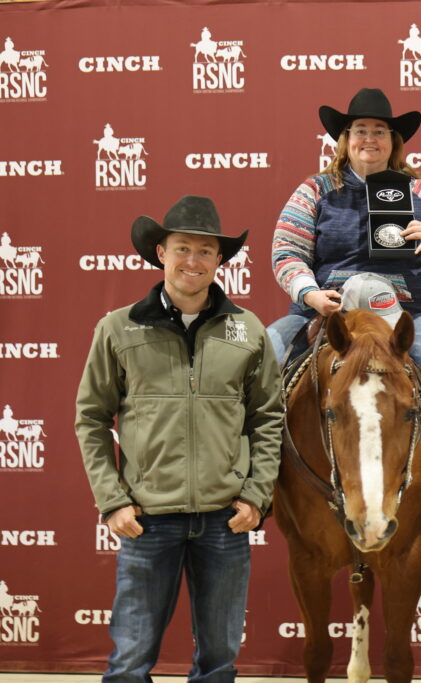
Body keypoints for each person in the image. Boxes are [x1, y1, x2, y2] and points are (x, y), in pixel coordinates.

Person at [75, 195, 283, 682]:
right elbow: (91, 418)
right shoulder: (119, 327)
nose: (194, 260)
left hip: (224, 522)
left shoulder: (248, 329)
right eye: (182, 248)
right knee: (129, 664)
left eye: (206, 251)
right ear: (161, 253)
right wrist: (112, 501)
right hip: (147, 519)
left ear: (219, 259)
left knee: (218, 663)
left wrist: (256, 496)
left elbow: (269, 418)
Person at [267, 87, 421, 516]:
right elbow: (286, 252)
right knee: (261, 359)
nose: (370, 138)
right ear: (345, 140)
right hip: (329, 309)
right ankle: (256, 475)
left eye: (379, 131)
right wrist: (310, 292)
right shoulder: (315, 190)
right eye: (360, 130)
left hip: (408, 310)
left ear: (393, 141)